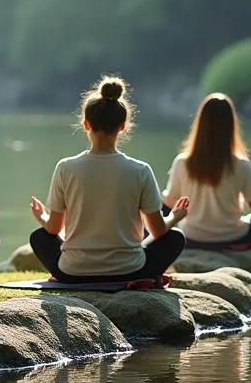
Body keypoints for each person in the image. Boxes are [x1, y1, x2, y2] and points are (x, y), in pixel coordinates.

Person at [28, 76, 189, 284]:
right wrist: (175, 216)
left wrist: (42, 216)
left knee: (38, 237)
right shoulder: (140, 170)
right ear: (122, 126)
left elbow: (52, 230)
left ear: (85, 124)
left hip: (73, 272)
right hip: (129, 270)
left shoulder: (65, 168)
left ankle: (73, 274)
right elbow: (158, 231)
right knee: (174, 238)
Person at [164, 93, 251, 248]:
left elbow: (169, 202)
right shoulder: (242, 164)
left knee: (158, 211)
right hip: (231, 236)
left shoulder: (182, 162)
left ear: (200, 123)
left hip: (191, 236)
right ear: (231, 125)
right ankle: (241, 243)